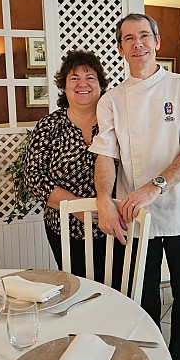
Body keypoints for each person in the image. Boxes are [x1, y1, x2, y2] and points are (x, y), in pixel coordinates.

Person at [90, 13, 180, 360]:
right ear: (120, 48)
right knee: (141, 299)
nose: (137, 44)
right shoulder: (111, 100)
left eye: (144, 35)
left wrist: (154, 186)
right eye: (128, 38)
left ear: (157, 42)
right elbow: (105, 154)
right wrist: (104, 199)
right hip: (135, 218)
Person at [25, 50, 112, 278]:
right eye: (74, 78)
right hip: (65, 229)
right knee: (78, 289)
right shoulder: (49, 125)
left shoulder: (115, 122)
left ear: (101, 85)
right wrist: (76, 207)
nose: (83, 84)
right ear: (64, 86)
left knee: (116, 290)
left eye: (90, 77)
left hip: (114, 227)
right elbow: (34, 177)